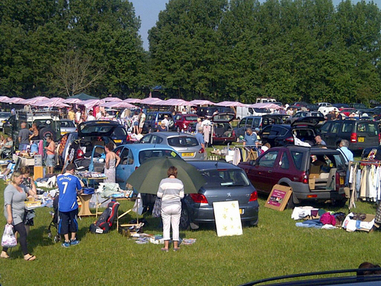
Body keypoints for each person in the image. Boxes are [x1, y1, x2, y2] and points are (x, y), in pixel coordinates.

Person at [1, 171, 36, 260]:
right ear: (15, 178)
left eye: (22, 178)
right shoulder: (9, 189)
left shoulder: (21, 186)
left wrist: (36, 196)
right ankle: (26, 255)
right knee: (23, 232)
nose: (22, 180)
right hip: (13, 213)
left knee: (11, 232)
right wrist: (9, 216)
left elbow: (29, 191)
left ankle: (4, 252)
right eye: (20, 178)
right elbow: (7, 204)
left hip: (21, 213)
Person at [157, 166, 184, 252]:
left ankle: (166, 247)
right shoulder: (180, 182)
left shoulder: (163, 182)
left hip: (166, 206)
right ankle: (175, 246)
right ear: (176, 173)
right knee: (175, 226)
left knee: (166, 226)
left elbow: (159, 194)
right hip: (176, 206)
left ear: (168, 173)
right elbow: (182, 196)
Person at [57, 163, 82, 248]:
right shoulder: (74, 178)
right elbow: (80, 190)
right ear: (72, 170)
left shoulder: (59, 178)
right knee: (73, 221)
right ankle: (73, 238)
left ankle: (66, 240)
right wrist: (78, 193)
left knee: (64, 222)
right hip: (72, 204)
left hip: (62, 204)